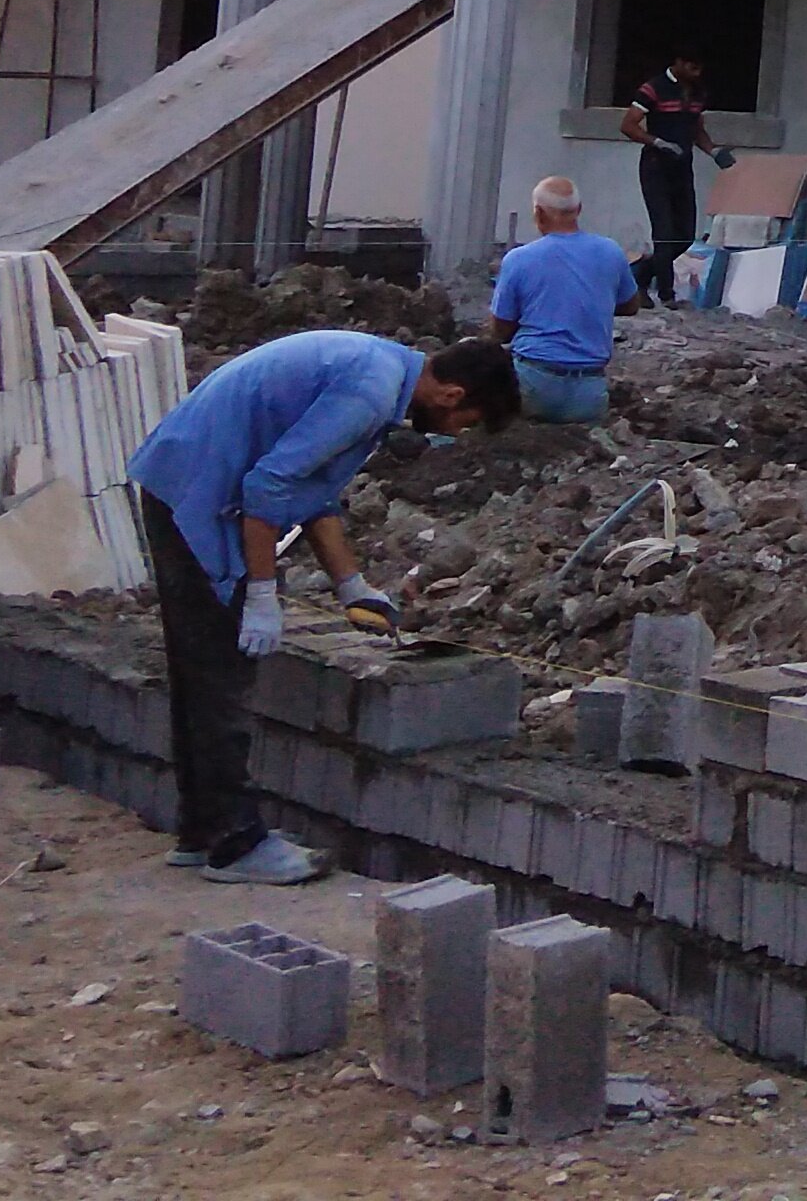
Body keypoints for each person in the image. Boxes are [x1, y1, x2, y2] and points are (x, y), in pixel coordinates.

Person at [130, 326, 519, 884]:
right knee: (220, 672)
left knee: (202, 669)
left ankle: (203, 831)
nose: (456, 433)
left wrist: (351, 585)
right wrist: (260, 594)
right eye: (466, 422)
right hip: (196, 494)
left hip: (185, 478)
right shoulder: (371, 391)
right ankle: (234, 843)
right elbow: (268, 487)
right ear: (453, 396)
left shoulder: (382, 369)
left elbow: (309, 487)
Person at [489, 174, 644, 422]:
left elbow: (501, 329)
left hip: (533, 379)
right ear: (578, 209)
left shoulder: (519, 259)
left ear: (538, 213)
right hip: (589, 387)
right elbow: (631, 305)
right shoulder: (611, 251)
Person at [620, 50, 724, 305]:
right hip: (656, 167)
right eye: (691, 67)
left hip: (682, 168)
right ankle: (666, 294)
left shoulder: (698, 92)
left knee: (684, 236)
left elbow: (697, 129)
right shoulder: (654, 88)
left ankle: (641, 275)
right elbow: (628, 125)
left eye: (699, 69)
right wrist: (657, 142)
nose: (696, 73)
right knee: (664, 231)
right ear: (678, 62)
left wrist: (714, 151)